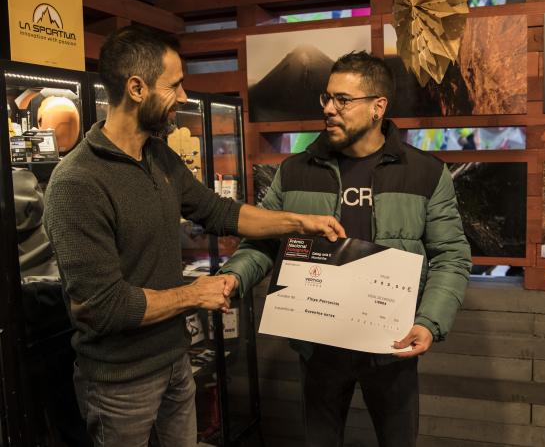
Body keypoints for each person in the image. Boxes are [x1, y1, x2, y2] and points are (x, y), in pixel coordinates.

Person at [44, 24, 345, 447]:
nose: (184, 97)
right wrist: (193, 294)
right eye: (175, 85)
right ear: (136, 88)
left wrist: (299, 223)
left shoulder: (159, 157)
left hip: (174, 364)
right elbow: (100, 307)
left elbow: (218, 211)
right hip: (120, 387)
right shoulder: (76, 183)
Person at [219, 51, 471, 447]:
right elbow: (262, 241)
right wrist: (233, 276)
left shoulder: (426, 173)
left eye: (343, 100)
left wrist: (429, 321)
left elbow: (451, 257)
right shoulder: (295, 170)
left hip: (392, 346)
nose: (329, 109)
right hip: (318, 345)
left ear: (378, 107)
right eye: (327, 98)